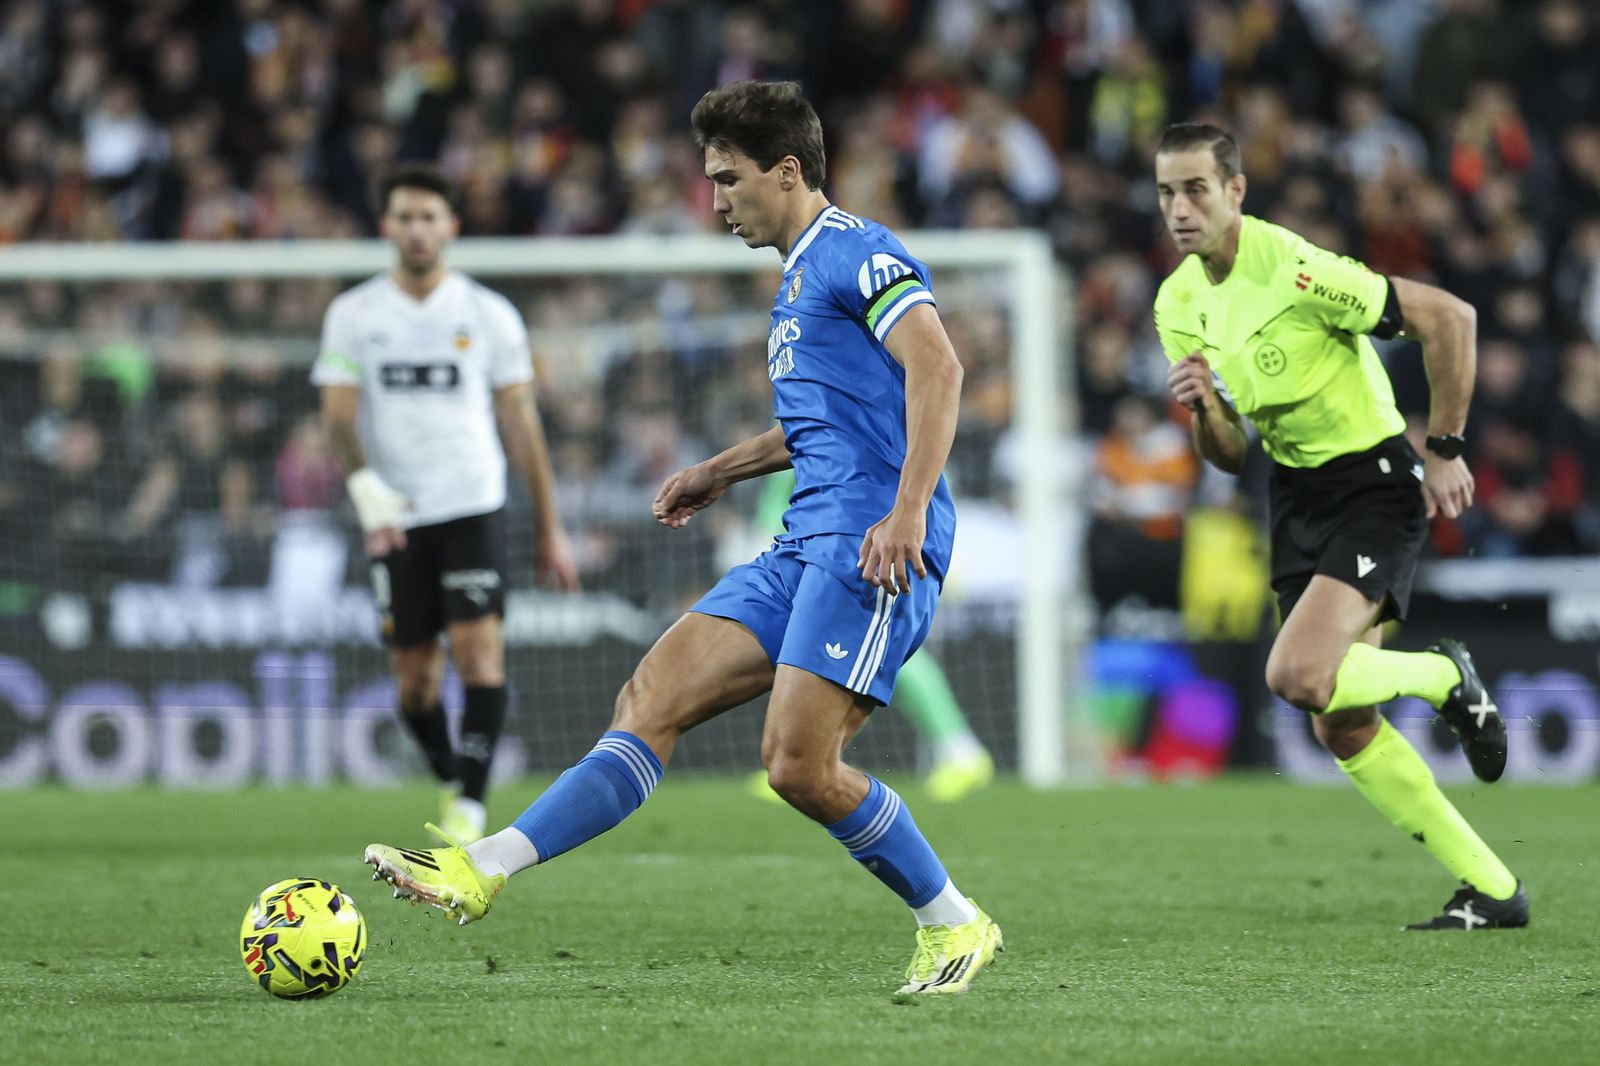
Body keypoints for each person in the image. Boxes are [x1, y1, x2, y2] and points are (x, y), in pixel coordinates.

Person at [365, 81, 1003, 995]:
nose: (717, 202)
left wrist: (906, 512)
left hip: (868, 542)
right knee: (650, 696)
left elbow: (938, 367)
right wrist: (721, 469)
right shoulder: (798, 277)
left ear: (788, 171)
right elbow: (827, 422)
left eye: (729, 179)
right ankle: (480, 867)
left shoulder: (857, 250)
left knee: (798, 766)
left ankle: (953, 922)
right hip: (803, 539)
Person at [1152, 122, 1526, 930]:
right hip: (1295, 494)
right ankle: (1494, 889)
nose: (1179, 209)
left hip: (1373, 484)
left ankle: (1444, 677)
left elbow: (1451, 318)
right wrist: (1207, 409)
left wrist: (1447, 449)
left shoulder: (1296, 269)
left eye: (1196, 190)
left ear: (1235, 191)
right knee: (1341, 722)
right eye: (1167, 193)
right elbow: (1227, 455)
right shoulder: (1176, 303)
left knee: (1297, 675)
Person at [314, 163, 579, 844]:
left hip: (473, 504)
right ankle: (450, 773)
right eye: (405, 216)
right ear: (386, 226)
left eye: (429, 217)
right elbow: (337, 418)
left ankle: (469, 805)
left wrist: (549, 526)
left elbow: (522, 421)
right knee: (414, 685)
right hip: (395, 516)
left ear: (452, 226)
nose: (417, 230)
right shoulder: (354, 315)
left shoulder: (488, 315)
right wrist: (365, 489)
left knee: (479, 655)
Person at [746, 468, 994, 803]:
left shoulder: (835, 436)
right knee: (865, 653)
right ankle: (959, 750)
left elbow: (790, 474)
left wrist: (764, 537)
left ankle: (802, 763)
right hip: (848, 543)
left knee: (872, 650)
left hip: (862, 545)